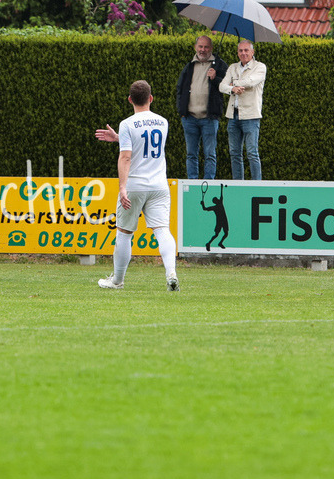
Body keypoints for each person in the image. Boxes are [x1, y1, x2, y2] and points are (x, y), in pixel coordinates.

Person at [94, 80, 179, 292]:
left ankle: (117, 281)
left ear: (130, 99)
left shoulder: (127, 124)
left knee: (124, 232)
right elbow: (146, 146)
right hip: (159, 185)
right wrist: (119, 139)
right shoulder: (163, 122)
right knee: (162, 230)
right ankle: (171, 273)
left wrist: (123, 188)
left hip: (135, 185)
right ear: (151, 98)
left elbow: (126, 157)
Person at [175, 35, 227, 179]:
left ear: (211, 48)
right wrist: (182, 112)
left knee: (210, 154)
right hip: (189, 118)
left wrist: (215, 78)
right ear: (195, 47)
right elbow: (180, 88)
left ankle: (208, 183)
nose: (203, 50)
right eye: (200, 46)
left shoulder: (220, 65)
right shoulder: (189, 66)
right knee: (191, 154)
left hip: (209, 118)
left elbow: (227, 87)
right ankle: (192, 182)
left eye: (206, 47)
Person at [220, 40, 266, 180]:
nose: (243, 53)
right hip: (233, 115)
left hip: (251, 116)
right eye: (241, 50)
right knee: (235, 153)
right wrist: (232, 89)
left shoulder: (260, 67)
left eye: (246, 50)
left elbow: (251, 81)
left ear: (252, 52)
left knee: (252, 153)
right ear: (238, 52)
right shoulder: (233, 67)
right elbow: (222, 86)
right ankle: (237, 184)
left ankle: (256, 184)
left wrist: (234, 84)